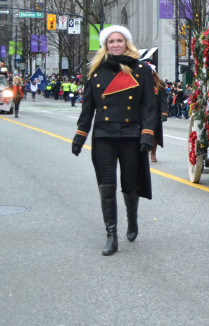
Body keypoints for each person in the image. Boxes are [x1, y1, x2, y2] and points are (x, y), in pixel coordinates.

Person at [71, 25, 157, 256]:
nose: (115, 44)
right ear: (105, 46)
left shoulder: (141, 70)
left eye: (119, 40)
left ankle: (132, 218)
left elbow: (149, 106)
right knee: (106, 188)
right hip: (103, 137)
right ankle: (111, 236)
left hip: (131, 136)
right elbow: (88, 108)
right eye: (111, 41)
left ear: (127, 43)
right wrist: (80, 135)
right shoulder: (95, 71)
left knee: (129, 186)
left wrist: (147, 134)